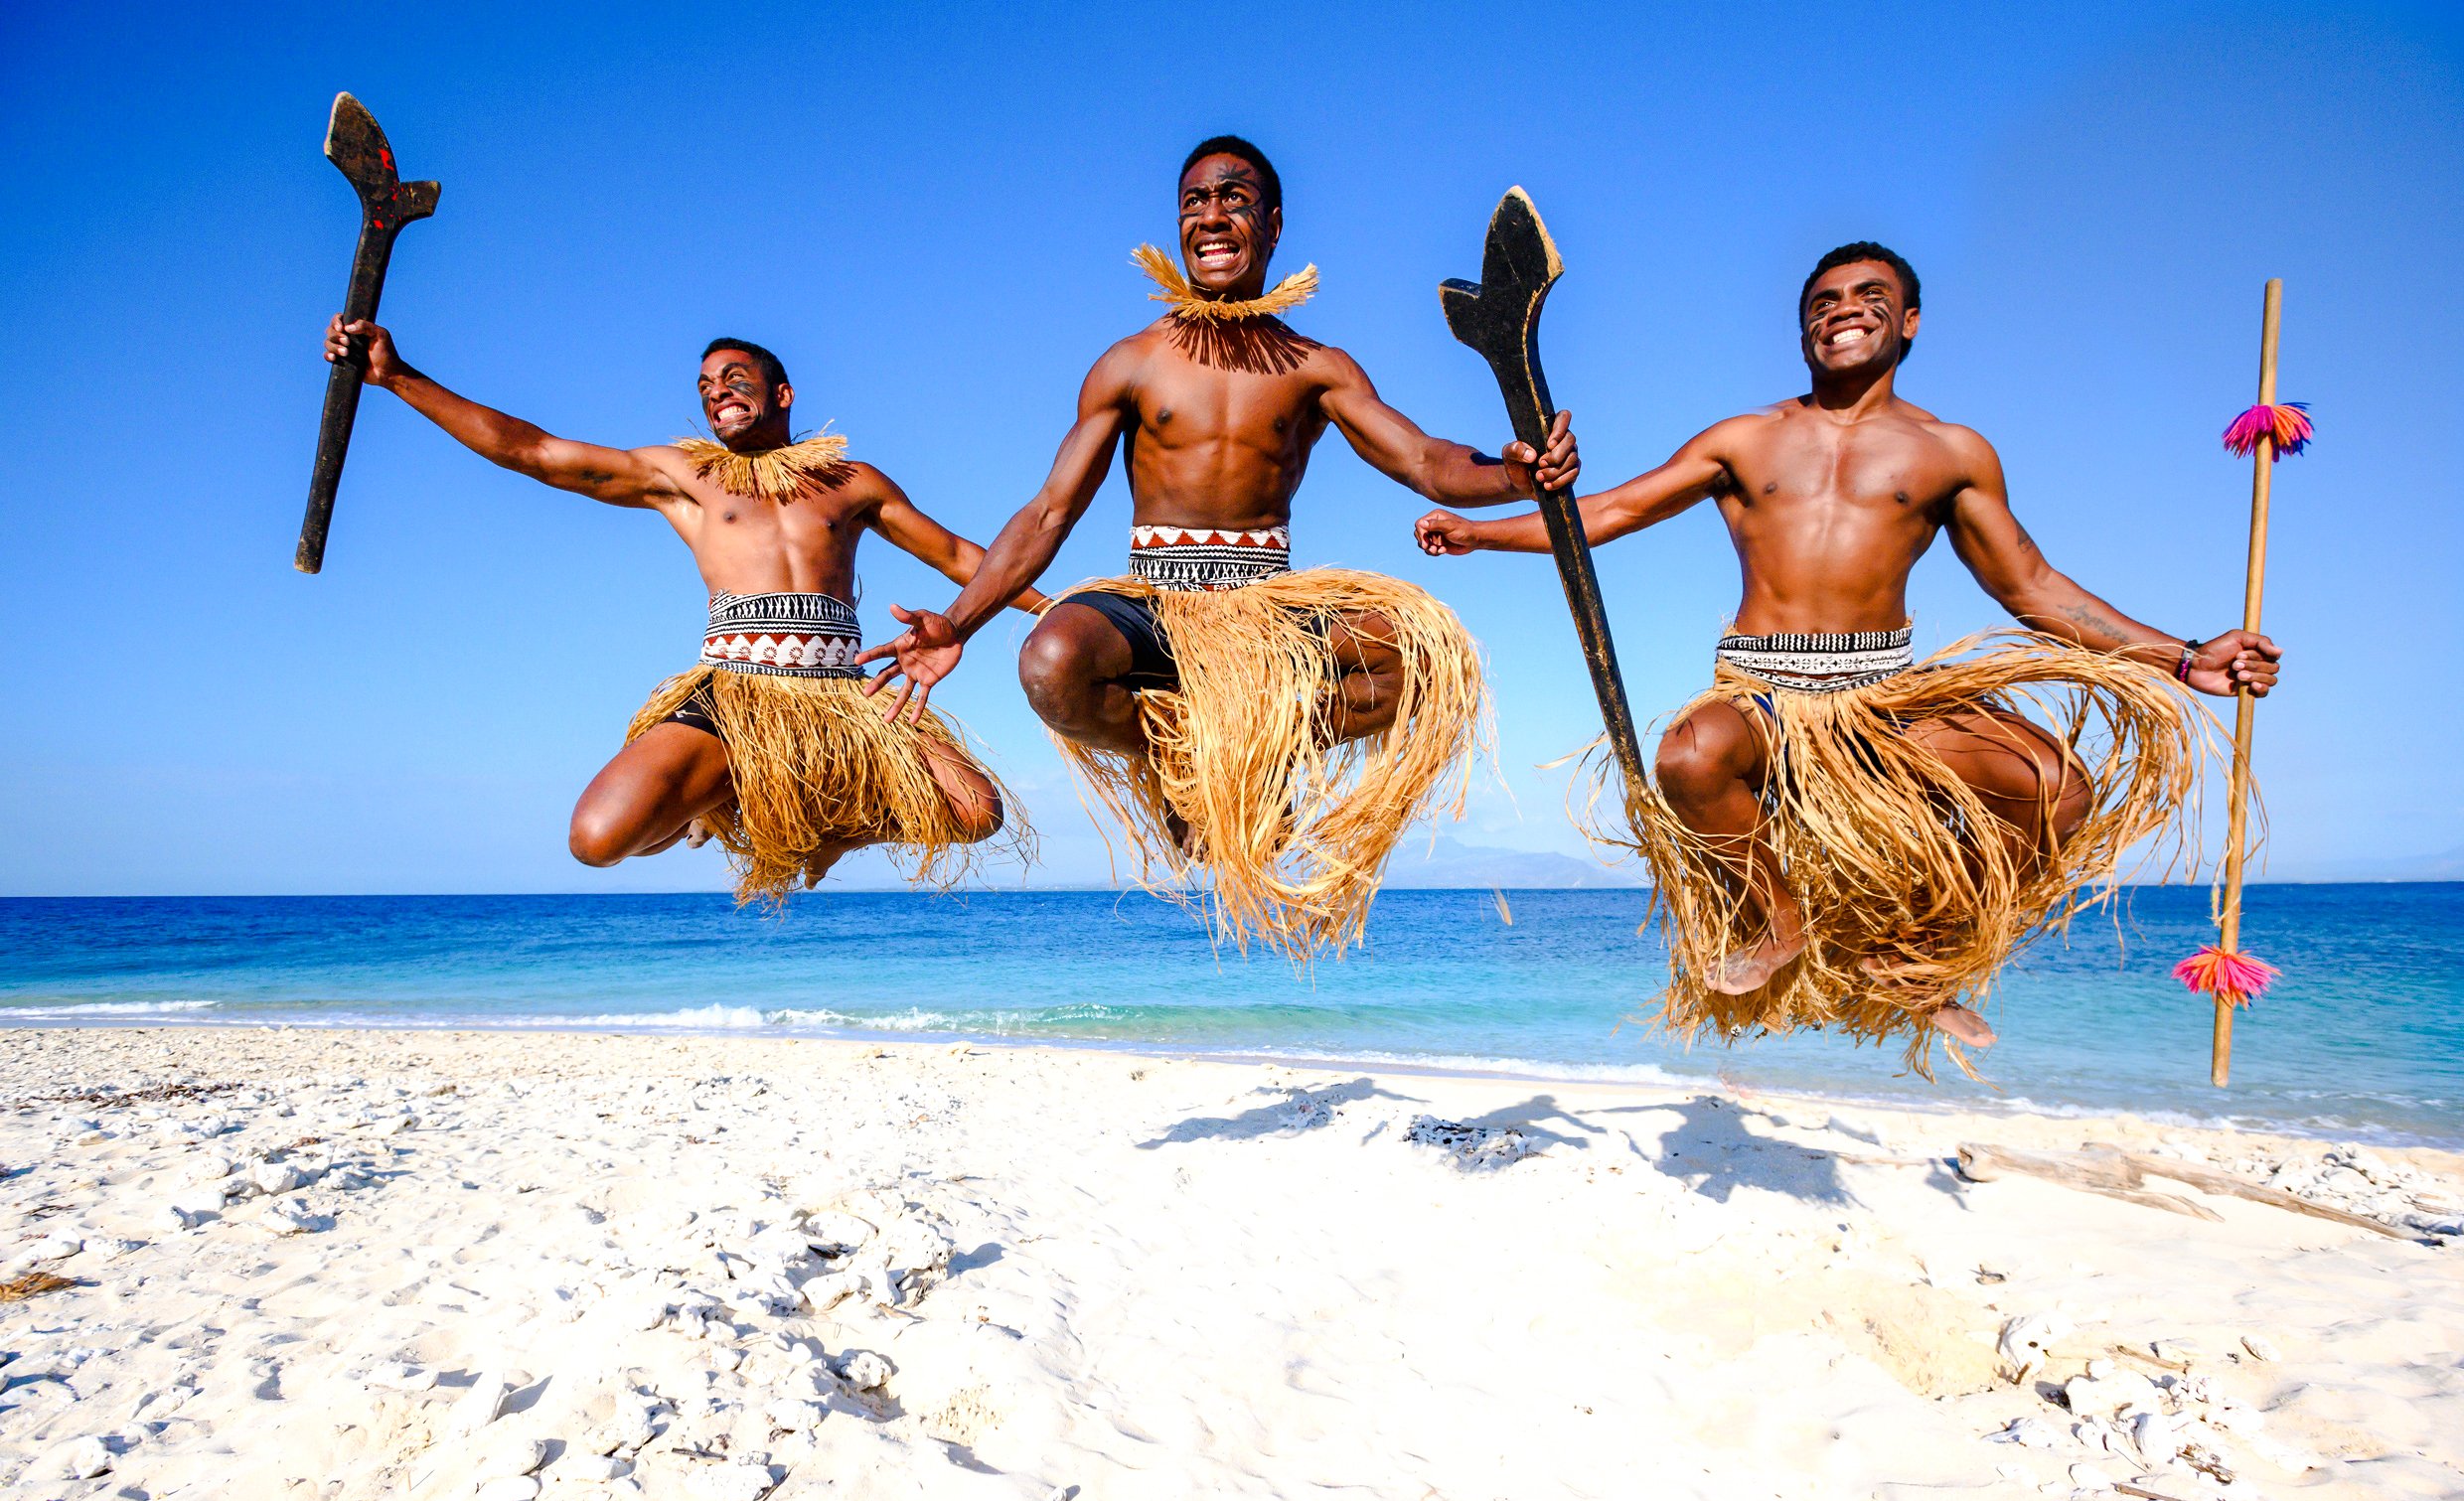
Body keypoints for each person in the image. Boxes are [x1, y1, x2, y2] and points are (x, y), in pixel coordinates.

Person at [1416, 242, 2283, 1071]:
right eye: (1822, 303)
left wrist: (2185, 655)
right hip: (1763, 689)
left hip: (1884, 696)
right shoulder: (1743, 439)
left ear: (1909, 321)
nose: (1843, 313)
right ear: (1802, 332)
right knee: (1687, 755)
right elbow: (1607, 514)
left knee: (2056, 790)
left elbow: (2030, 586)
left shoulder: (1952, 452)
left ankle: (1918, 955)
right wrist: (1481, 536)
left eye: (1870, 298)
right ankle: (1777, 923)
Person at [858, 135, 1578, 958]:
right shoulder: (1131, 363)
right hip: (1155, 608)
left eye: (1233, 198)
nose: (1212, 216)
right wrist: (959, 621)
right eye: (1195, 202)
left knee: (1420, 658)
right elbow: (1051, 511)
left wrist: (1514, 475)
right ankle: (1176, 753)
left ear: (1272, 226)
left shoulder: (1317, 367)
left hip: (1265, 611)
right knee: (1051, 661)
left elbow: (1422, 460)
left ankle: (1248, 745)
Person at [320, 319, 1042, 904]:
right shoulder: (685, 476)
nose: (718, 393)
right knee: (598, 839)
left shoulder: (850, 480)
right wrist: (397, 376)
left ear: (782, 393)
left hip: (846, 693)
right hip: (735, 689)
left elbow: (952, 552)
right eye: (705, 387)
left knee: (975, 813)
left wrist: (1054, 610)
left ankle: (830, 835)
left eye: (735, 379)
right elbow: (534, 452)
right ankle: (725, 800)